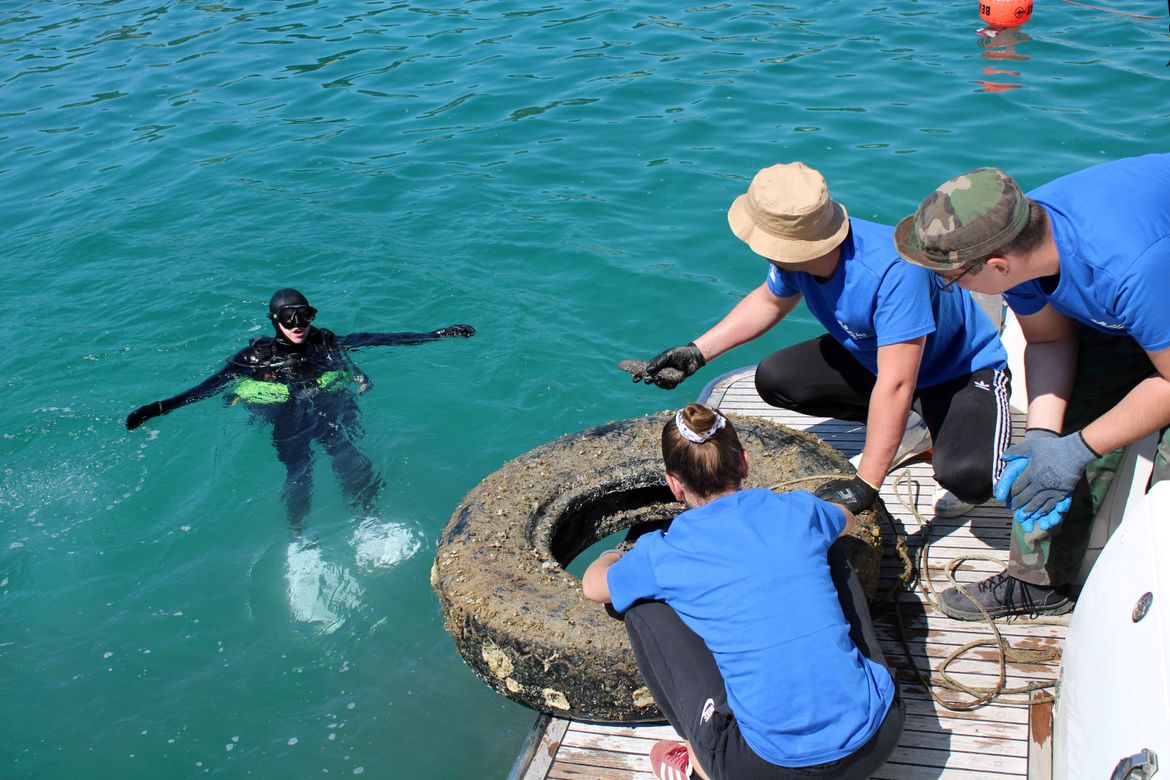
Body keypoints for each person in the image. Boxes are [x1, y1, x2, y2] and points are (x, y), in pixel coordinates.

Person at [631, 162, 1010, 518]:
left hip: (957, 372)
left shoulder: (894, 271)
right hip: (876, 362)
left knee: (970, 477)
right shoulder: (797, 261)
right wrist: (697, 352)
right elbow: (769, 300)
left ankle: (925, 427)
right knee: (776, 379)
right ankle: (911, 425)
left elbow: (897, 383)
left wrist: (866, 484)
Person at [893, 156, 1170, 620]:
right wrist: (1044, 440)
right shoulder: (1022, 243)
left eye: (949, 279)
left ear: (996, 266)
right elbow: (1049, 338)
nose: (946, 286)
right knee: (1057, 443)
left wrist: (1079, 448)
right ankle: (1038, 583)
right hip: (1137, 295)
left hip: (1147, 276)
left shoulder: (1126, 266)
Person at [582, 403, 904, 780]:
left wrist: (613, 555)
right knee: (827, 544)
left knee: (640, 607)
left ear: (673, 484)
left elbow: (594, 586)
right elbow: (844, 519)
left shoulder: (663, 552)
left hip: (766, 769)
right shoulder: (799, 510)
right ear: (745, 463)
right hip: (880, 735)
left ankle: (700, 762)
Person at [126, 288, 476, 534]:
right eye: (289, 318)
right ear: (273, 321)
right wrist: (159, 408)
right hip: (285, 415)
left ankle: (369, 521)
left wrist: (437, 334)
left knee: (350, 458)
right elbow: (208, 386)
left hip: (325, 406)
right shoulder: (254, 358)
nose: (298, 325)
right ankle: (300, 536)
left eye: (304, 316)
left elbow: (375, 338)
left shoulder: (323, 342)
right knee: (299, 472)